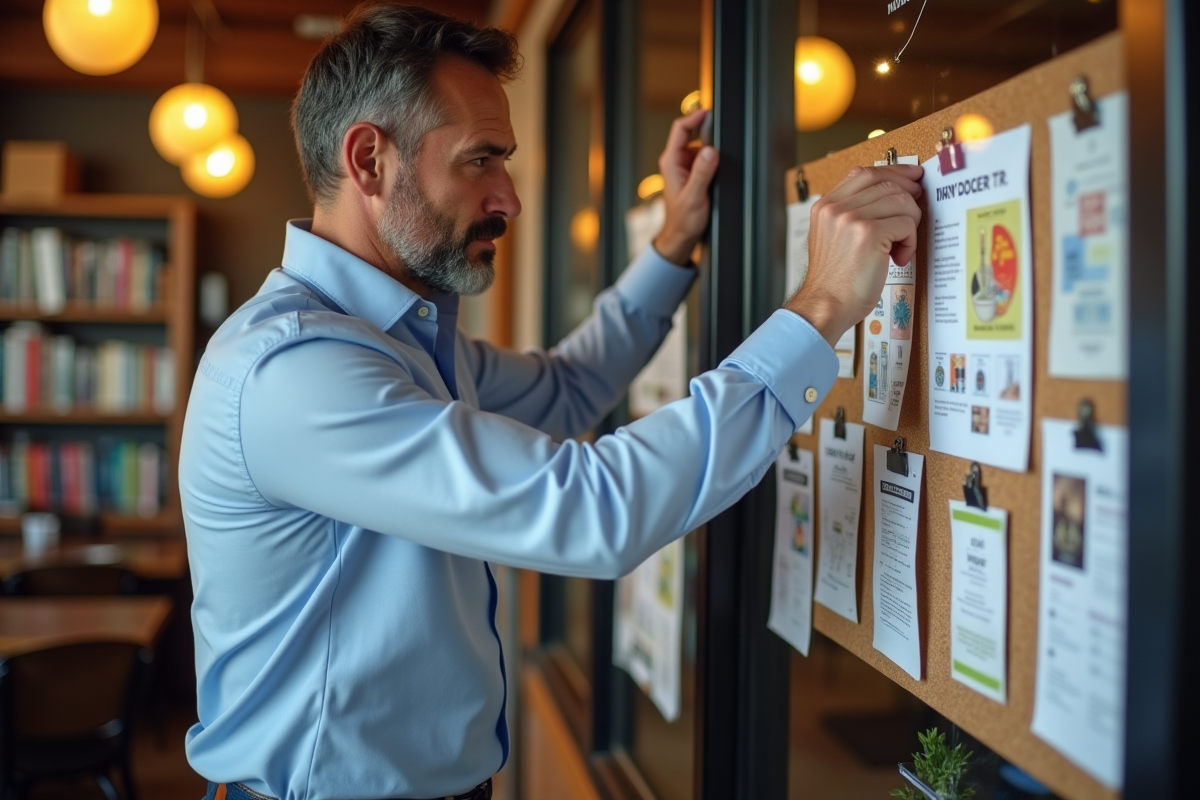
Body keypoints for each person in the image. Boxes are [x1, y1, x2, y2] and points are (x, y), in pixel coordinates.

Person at [180, 5, 923, 800]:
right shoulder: (295, 372)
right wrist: (820, 308)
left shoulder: (396, 345)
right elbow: (594, 510)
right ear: (369, 160)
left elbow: (565, 389)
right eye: (480, 160)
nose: (508, 198)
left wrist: (672, 244)